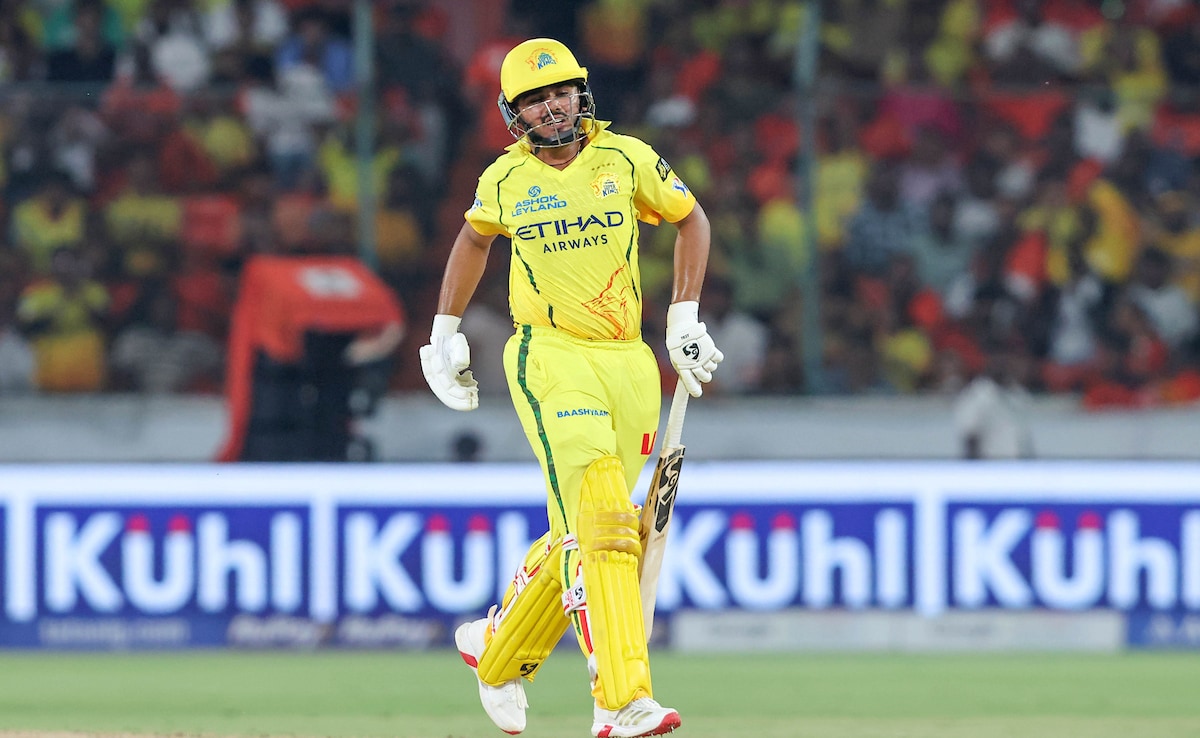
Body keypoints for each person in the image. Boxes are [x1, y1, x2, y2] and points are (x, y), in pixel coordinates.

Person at [419, 38, 722, 738]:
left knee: (582, 532)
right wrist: (443, 331)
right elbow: (473, 240)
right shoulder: (505, 179)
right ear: (513, 114)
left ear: (581, 95)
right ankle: (621, 698)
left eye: (560, 92)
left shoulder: (626, 159)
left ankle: (497, 649)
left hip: (629, 361)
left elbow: (691, 219)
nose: (551, 107)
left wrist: (683, 316)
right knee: (607, 524)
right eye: (534, 100)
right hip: (550, 356)